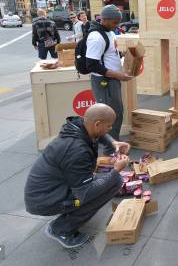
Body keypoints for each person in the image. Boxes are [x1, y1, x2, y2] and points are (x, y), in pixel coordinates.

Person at [24, 104, 130, 249]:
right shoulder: (76, 151)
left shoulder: (81, 125)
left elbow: (101, 133)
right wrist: (115, 170)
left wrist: (113, 142)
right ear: (97, 124)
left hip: (49, 191)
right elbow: (86, 193)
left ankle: (68, 215)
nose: (110, 129)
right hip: (45, 201)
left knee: (109, 181)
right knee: (110, 183)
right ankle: (61, 229)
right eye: (109, 126)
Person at [86, 5, 133, 153]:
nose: (117, 25)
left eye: (118, 22)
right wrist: (117, 75)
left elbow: (111, 53)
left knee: (116, 113)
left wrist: (125, 55)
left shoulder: (110, 32)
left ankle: (113, 143)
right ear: (104, 19)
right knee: (108, 116)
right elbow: (92, 65)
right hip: (104, 82)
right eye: (114, 22)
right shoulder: (96, 37)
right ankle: (109, 150)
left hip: (112, 80)